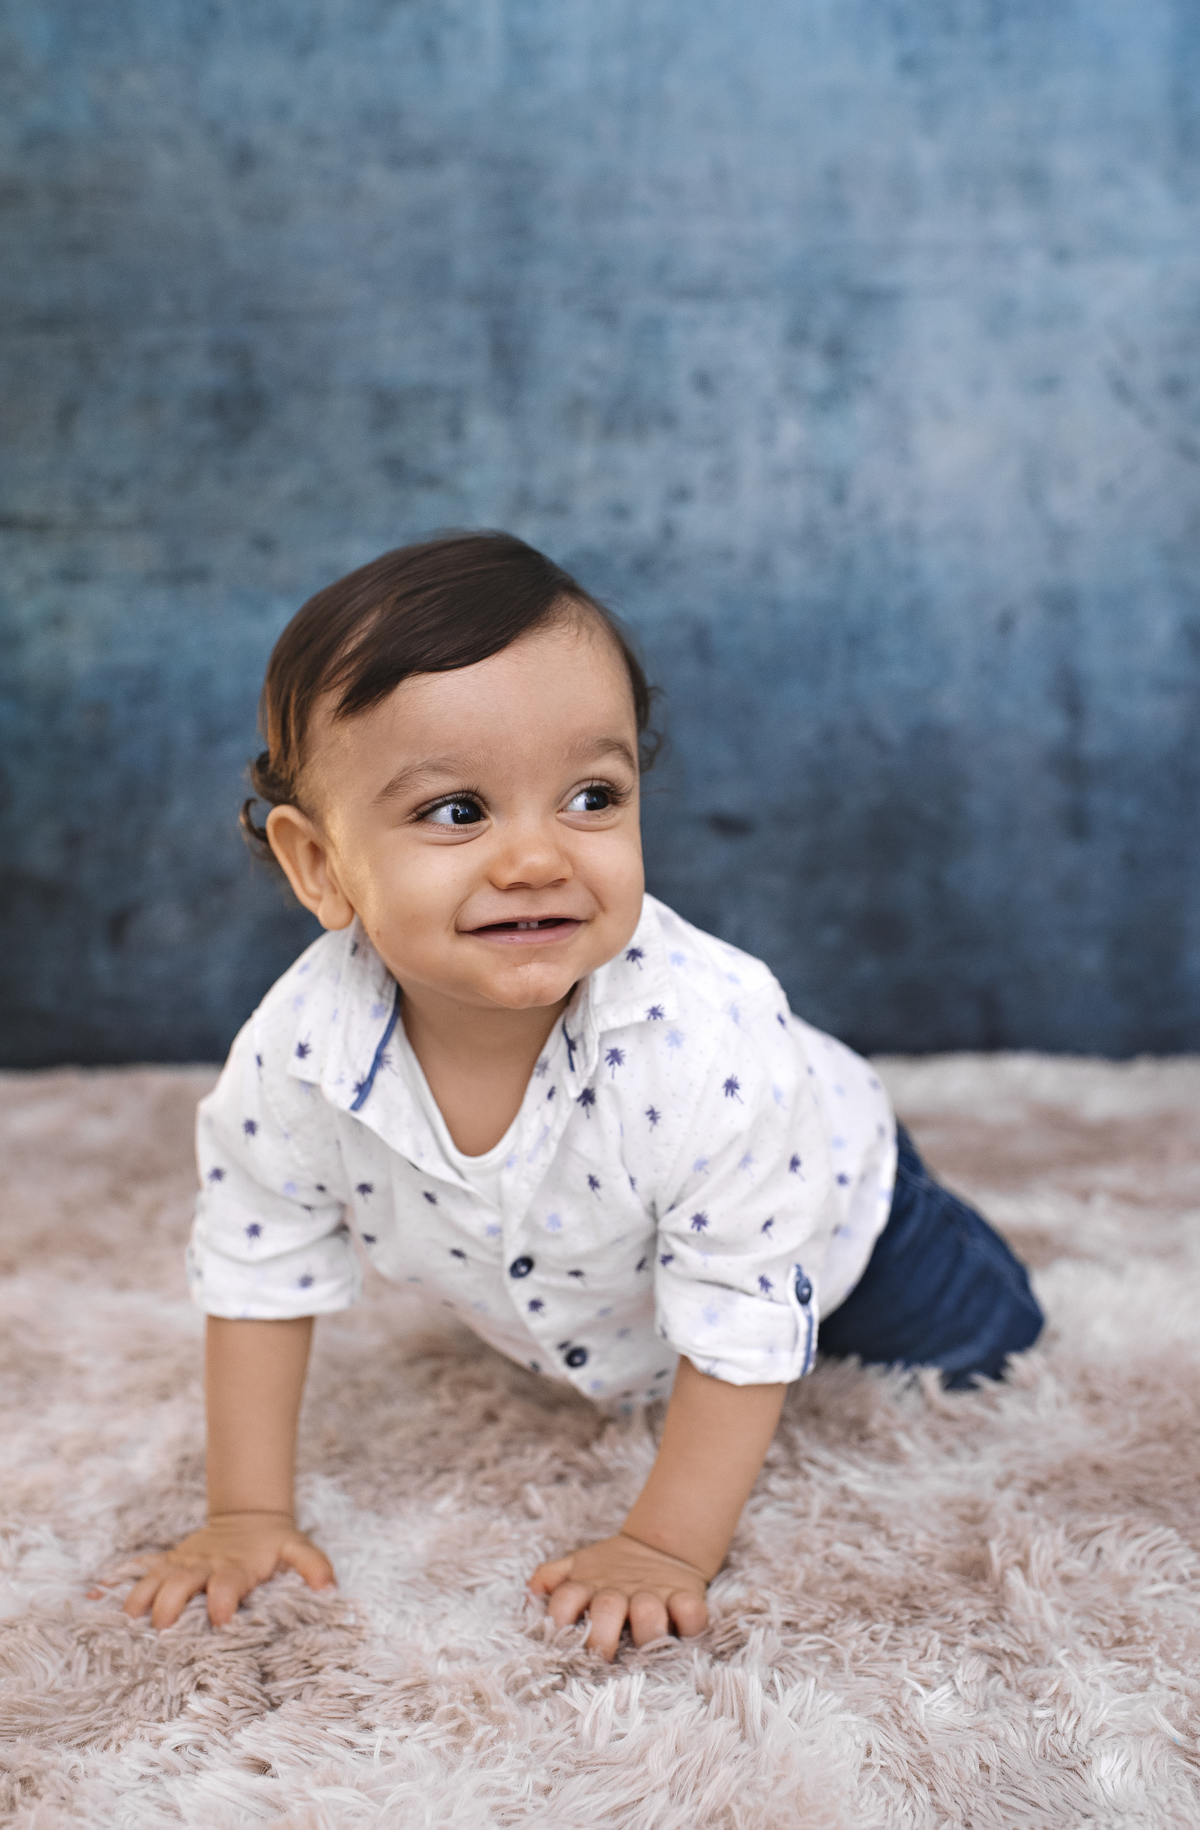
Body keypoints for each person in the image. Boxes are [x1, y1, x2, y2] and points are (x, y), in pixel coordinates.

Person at [113, 532, 1043, 1657]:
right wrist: (247, 1512)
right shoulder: (299, 1058)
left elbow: (747, 1301)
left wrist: (666, 1545)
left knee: (994, 1350)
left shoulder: (707, 1044)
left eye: (591, 796)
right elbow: (259, 1260)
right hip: (614, 1277)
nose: (538, 859)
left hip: (847, 1216)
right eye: (458, 813)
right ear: (320, 866)